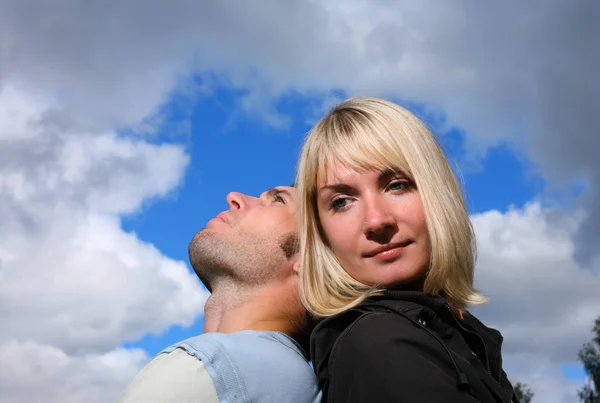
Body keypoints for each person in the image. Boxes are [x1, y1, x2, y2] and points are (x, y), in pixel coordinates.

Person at [295, 97, 518, 402]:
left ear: (436, 190)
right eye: (341, 201)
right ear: (321, 232)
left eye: (396, 185)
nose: (376, 220)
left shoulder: (452, 335)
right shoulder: (380, 343)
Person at [118, 186, 321, 403]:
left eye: (279, 200)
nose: (234, 197)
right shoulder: (292, 384)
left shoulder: (213, 368)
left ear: (310, 262)